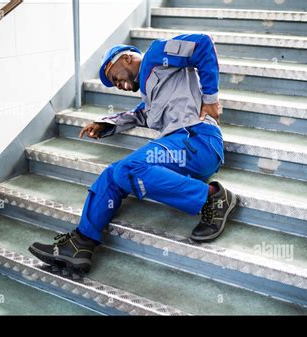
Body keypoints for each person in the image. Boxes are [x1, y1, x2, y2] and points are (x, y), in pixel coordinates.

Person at [29, 33, 237, 274]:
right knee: (111, 174)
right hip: (179, 148)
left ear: (126, 58)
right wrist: (105, 124)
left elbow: (202, 44)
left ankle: (212, 197)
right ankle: (80, 244)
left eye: (114, 77)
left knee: (129, 168)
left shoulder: (156, 54)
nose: (118, 85)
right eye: (114, 84)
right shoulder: (151, 96)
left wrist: (210, 98)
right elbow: (139, 115)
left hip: (198, 139)